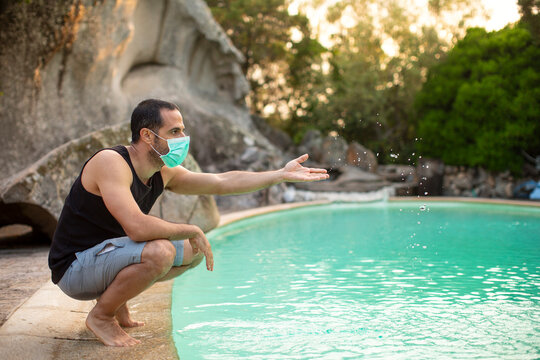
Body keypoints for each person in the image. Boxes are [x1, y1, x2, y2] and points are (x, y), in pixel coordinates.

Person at [48, 99, 329, 347]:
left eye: (182, 130)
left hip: (106, 257)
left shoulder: (163, 170)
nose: (183, 137)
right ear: (147, 135)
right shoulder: (111, 162)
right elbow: (137, 228)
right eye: (174, 131)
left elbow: (221, 181)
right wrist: (191, 228)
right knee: (162, 252)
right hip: (74, 268)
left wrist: (279, 174)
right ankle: (102, 316)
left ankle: (115, 302)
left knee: (191, 252)